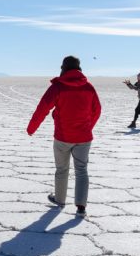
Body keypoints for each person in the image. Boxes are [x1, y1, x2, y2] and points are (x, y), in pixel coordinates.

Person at [27, 56, 101, 217]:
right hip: (84, 138)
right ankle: (81, 207)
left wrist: (32, 128)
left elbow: (43, 108)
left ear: (63, 68)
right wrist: (87, 128)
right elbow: (97, 110)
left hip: (63, 137)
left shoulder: (58, 87)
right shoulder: (88, 87)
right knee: (81, 170)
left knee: (62, 169)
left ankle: (60, 200)